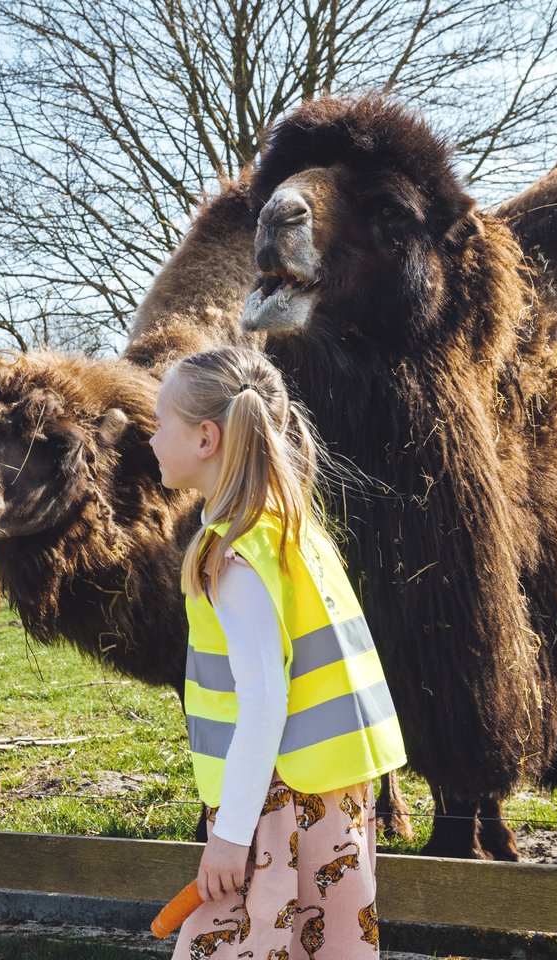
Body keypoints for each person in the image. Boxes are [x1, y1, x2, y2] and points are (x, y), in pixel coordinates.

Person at [148, 346, 406, 959]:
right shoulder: (292, 534)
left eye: (161, 424)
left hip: (276, 807)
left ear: (206, 438)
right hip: (333, 801)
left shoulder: (234, 556)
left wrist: (232, 836)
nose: (152, 440)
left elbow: (264, 704)